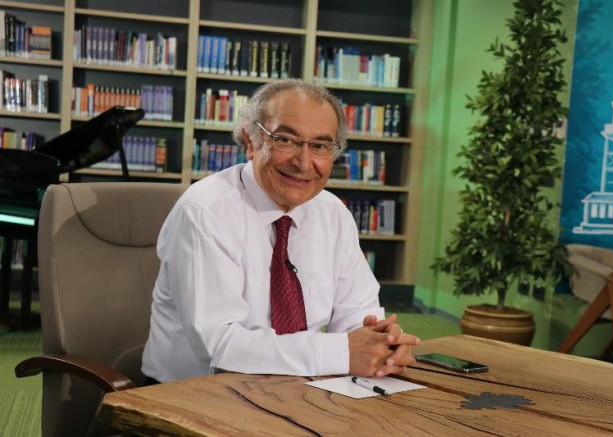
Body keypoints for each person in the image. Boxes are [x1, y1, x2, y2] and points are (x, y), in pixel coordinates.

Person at [142, 78, 419, 383]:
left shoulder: (333, 213)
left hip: (297, 386)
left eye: (320, 146)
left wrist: (382, 343)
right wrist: (341, 352)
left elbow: (358, 312)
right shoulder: (204, 212)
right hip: (192, 394)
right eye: (285, 140)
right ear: (250, 142)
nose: (304, 163)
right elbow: (218, 346)